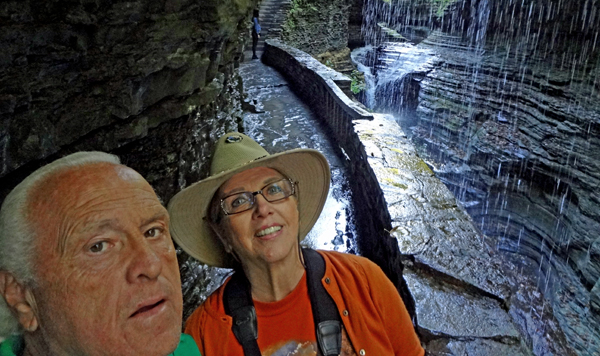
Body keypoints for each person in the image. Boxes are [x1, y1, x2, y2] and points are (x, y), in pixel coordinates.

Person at [168, 132, 425, 356]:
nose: (263, 208)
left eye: (274, 190)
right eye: (238, 202)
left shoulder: (364, 281)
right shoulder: (204, 334)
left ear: (295, 207)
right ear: (222, 234)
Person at [0, 152, 201, 356]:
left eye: (152, 232)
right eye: (99, 246)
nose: (151, 265)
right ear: (20, 297)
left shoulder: (187, 349)